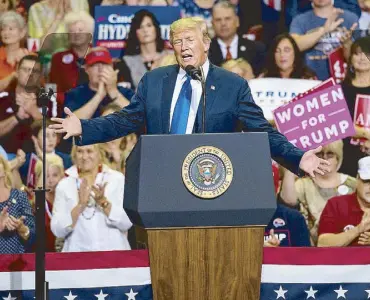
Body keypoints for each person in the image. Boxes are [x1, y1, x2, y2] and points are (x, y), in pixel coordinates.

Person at [50, 17, 330, 180]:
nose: (183, 47)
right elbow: (126, 120)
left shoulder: (232, 85)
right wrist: (84, 128)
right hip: (162, 181)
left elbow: (261, 130)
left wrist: (297, 157)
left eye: (190, 40)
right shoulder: (155, 81)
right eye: (177, 42)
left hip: (214, 181)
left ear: (206, 44)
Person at [51, 144, 132, 252]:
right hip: (77, 257)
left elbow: (127, 222)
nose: (84, 157)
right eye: (80, 151)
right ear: (74, 155)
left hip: (114, 256)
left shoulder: (116, 179)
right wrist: (80, 206)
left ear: (100, 153)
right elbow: (57, 229)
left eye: (89, 151)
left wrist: (103, 202)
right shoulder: (64, 185)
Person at [280, 140, 356, 245]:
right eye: (319, 154)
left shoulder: (353, 184)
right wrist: (292, 164)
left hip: (349, 246)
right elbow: (287, 201)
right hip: (310, 248)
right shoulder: (303, 184)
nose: (324, 158)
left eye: (330, 154)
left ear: (338, 158)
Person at [290, 0, 358, 80]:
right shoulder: (299, 20)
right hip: (309, 81)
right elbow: (293, 47)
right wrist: (324, 30)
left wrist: (347, 44)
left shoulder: (349, 18)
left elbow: (359, 57)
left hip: (343, 80)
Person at [63, 47, 134, 120]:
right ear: (87, 69)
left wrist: (114, 92)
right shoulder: (75, 94)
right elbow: (69, 123)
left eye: (104, 64)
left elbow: (140, 118)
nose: (101, 69)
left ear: (112, 67)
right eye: (95, 64)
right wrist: (99, 96)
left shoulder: (126, 92)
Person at [318, 156, 370, 246]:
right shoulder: (337, 205)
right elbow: (322, 244)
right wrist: (358, 229)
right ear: (357, 179)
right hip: (345, 260)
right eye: (367, 181)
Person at [209, 1, 265, 76]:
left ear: (237, 21)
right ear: (212, 24)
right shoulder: (205, 51)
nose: (223, 23)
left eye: (227, 19)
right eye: (218, 20)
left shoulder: (256, 49)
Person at [340, 37, 370, 177]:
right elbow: (336, 124)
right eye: (357, 53)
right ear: (350, 58)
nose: (362, 58)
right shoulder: (339, 90)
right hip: (344, 155)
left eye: (367, 54)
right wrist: (365, 134)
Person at [0, 55, 42, 154]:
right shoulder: (2, 98)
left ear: (40, 75)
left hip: (39, 158)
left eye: (35, 71)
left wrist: (35, 112)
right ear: (17, 72)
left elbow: (57, 135)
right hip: (5, 159)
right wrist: (17, 117)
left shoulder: (49, 100)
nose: (30, 74)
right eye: (26, 69)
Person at [123, 10, 170, 89]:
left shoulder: (171, 56)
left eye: (149, 25)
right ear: (135, 32)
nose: (145, 30)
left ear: (156, 28)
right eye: (140, 27)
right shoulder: (128, 61)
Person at [0, 155, 35, 253]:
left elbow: (33, 234)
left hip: (18, 263)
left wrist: (22, 228)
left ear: (5, 168)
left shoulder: (19, 196)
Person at [0, 11, 29, 85]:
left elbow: (38, 87)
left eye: (11, 29)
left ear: (22, 32)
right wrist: (12, 76)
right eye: (3, 29)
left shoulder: (30, 56)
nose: (6, 33)